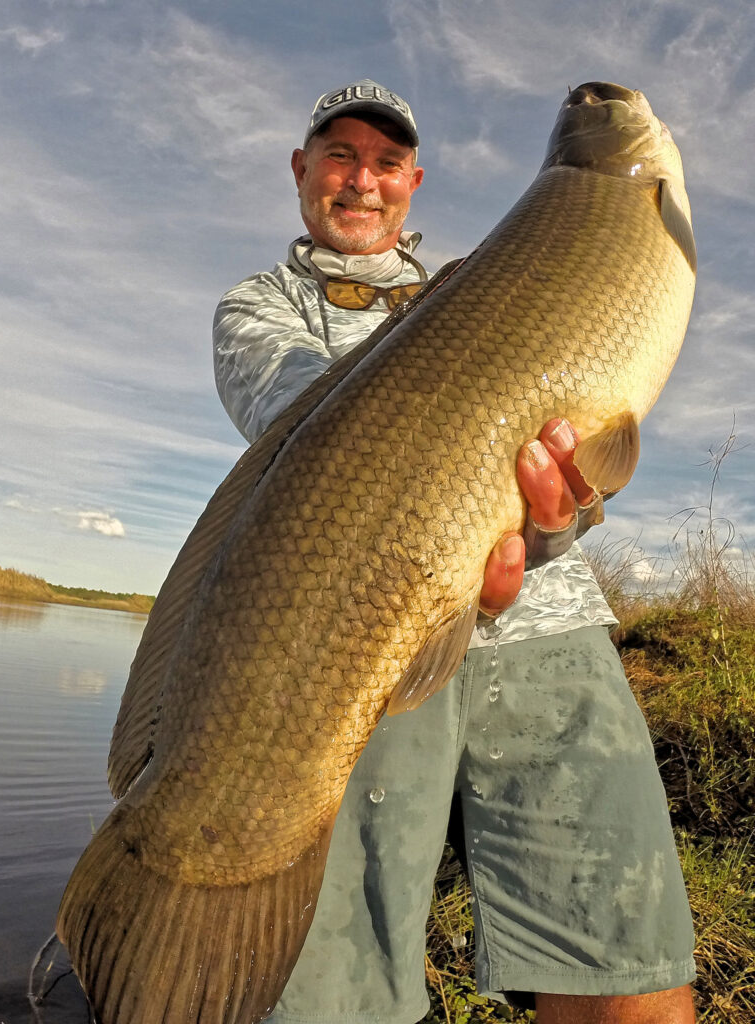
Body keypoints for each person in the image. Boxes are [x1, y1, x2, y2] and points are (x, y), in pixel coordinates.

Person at [213, 80, 696, 1024]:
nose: (362, 181)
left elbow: (576, 472)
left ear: (414, 181)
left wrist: (561, 513)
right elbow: (299, 434)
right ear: (302, 170)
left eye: (385, 163)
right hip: (376, 642)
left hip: (550, 626)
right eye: (340, 157)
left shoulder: (493, 278)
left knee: (629, 974)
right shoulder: (258, 307)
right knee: (335, 996)